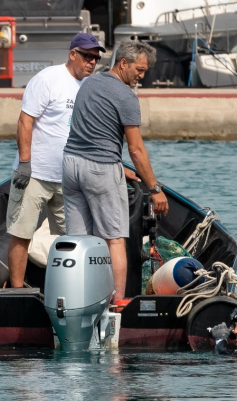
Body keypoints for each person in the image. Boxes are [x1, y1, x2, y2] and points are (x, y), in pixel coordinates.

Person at [62, 40, 169, 305]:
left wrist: (117, 166)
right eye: (139, 70)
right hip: (100, 170)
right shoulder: (126, 96)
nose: (142, 76)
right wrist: (155, 189)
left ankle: (79, 301)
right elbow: (135, 150)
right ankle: (117, 304)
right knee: (114, 240)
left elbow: (89, 130)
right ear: (123, 63)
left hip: (71, 165)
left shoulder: (89, 83)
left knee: (79, 242)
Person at [6, 33, 102, 288]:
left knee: (75, 237)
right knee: (21, 233)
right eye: (87, 56)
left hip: (68, 178)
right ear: (73, 54)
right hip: (35, 174)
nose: (92, 62)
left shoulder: (89, 87)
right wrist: (25, 164)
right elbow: (25, 120)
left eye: (96, 58)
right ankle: (16, 290)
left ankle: (73, 290)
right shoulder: (48, 78)